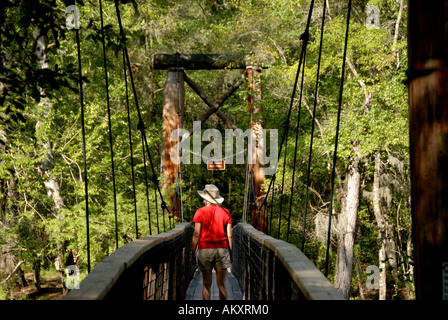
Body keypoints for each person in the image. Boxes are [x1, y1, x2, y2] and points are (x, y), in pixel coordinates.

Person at [191, 184, 233, 300]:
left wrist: (192, 252)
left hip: (205, 250)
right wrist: (231, 253)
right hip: (222, 249)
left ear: (206, 199)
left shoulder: (199, 212)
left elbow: (196, 234)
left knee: (206, 284)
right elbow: (229, 235)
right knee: (221, 284)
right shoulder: (226, 212)